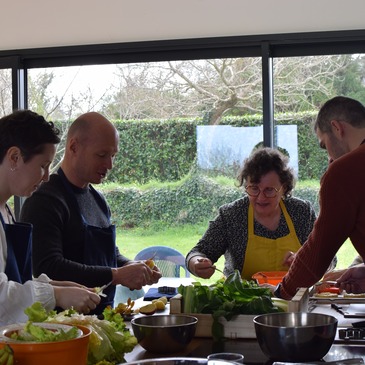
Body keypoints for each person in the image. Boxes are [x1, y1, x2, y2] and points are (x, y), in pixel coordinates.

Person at [20, 112, 161, 314]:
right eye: (102, 155)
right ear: (74, 147)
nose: (110, 165)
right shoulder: (45, 199)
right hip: (64, 326)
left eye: (113, 156)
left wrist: (133, 267)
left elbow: (109, 255)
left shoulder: (98, 200)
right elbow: (48, 267)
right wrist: (116, 275)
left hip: (103, 320)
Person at [0, 110, 101, 325]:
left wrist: (56, 285)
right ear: (14, 157)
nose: (46, 177)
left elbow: (15, 280)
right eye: (43, 166)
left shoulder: (5, 211)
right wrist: (55, 295)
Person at [275, 96, 365, 299]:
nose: (330, 158)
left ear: (337, 128)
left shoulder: (344, 171)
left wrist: (282, 293)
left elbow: (319, 250)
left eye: (324, 145)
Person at [186, 147, 318, 281]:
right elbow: (197, 253)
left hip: (294, 299)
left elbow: (327, 259)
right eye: (254, 189)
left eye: (269, 190)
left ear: (283, 188)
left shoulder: (302, 212)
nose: (261, 198)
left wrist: (307, 261)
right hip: (243, 299)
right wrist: (197, 263)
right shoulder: (232, 215)